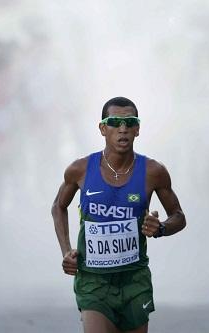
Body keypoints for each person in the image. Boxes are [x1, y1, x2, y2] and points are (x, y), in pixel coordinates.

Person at [52, 97, 186, 333]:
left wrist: (161, 228)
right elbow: (58, 207)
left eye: (129, 122)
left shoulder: (154, 172)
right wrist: (66, 250)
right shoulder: (80, 169)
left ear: (137, 129)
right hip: (93, 280)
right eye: (114, 122)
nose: (122, 129)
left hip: (134, 280)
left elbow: (178, 216)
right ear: (103, 128)